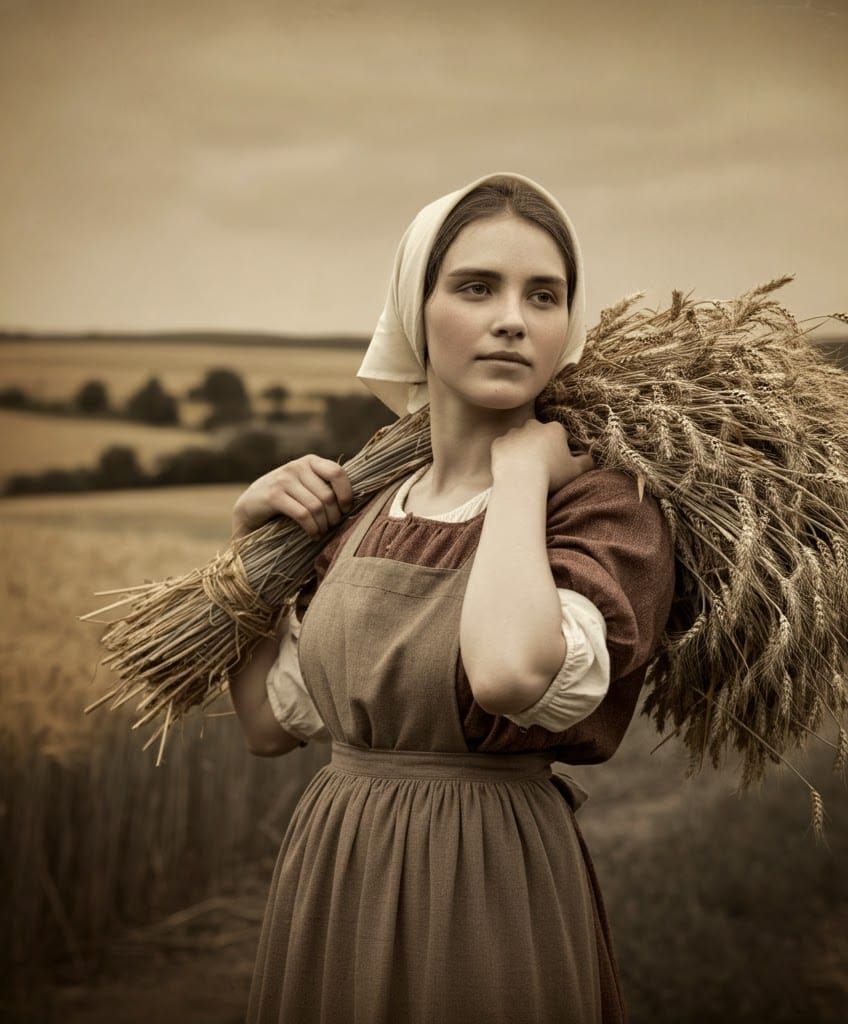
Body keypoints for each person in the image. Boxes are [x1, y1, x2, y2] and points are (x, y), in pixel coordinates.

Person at [228, 171, 676, 1024]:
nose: (513, 317)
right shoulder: (362, 510)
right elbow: (267, 725)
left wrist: (518, 478)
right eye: (476, 287)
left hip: (487, 879)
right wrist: (252, 551)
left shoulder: (607, 506)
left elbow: (510, 674)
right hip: (338, 867)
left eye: (544, 295)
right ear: (414, 309)